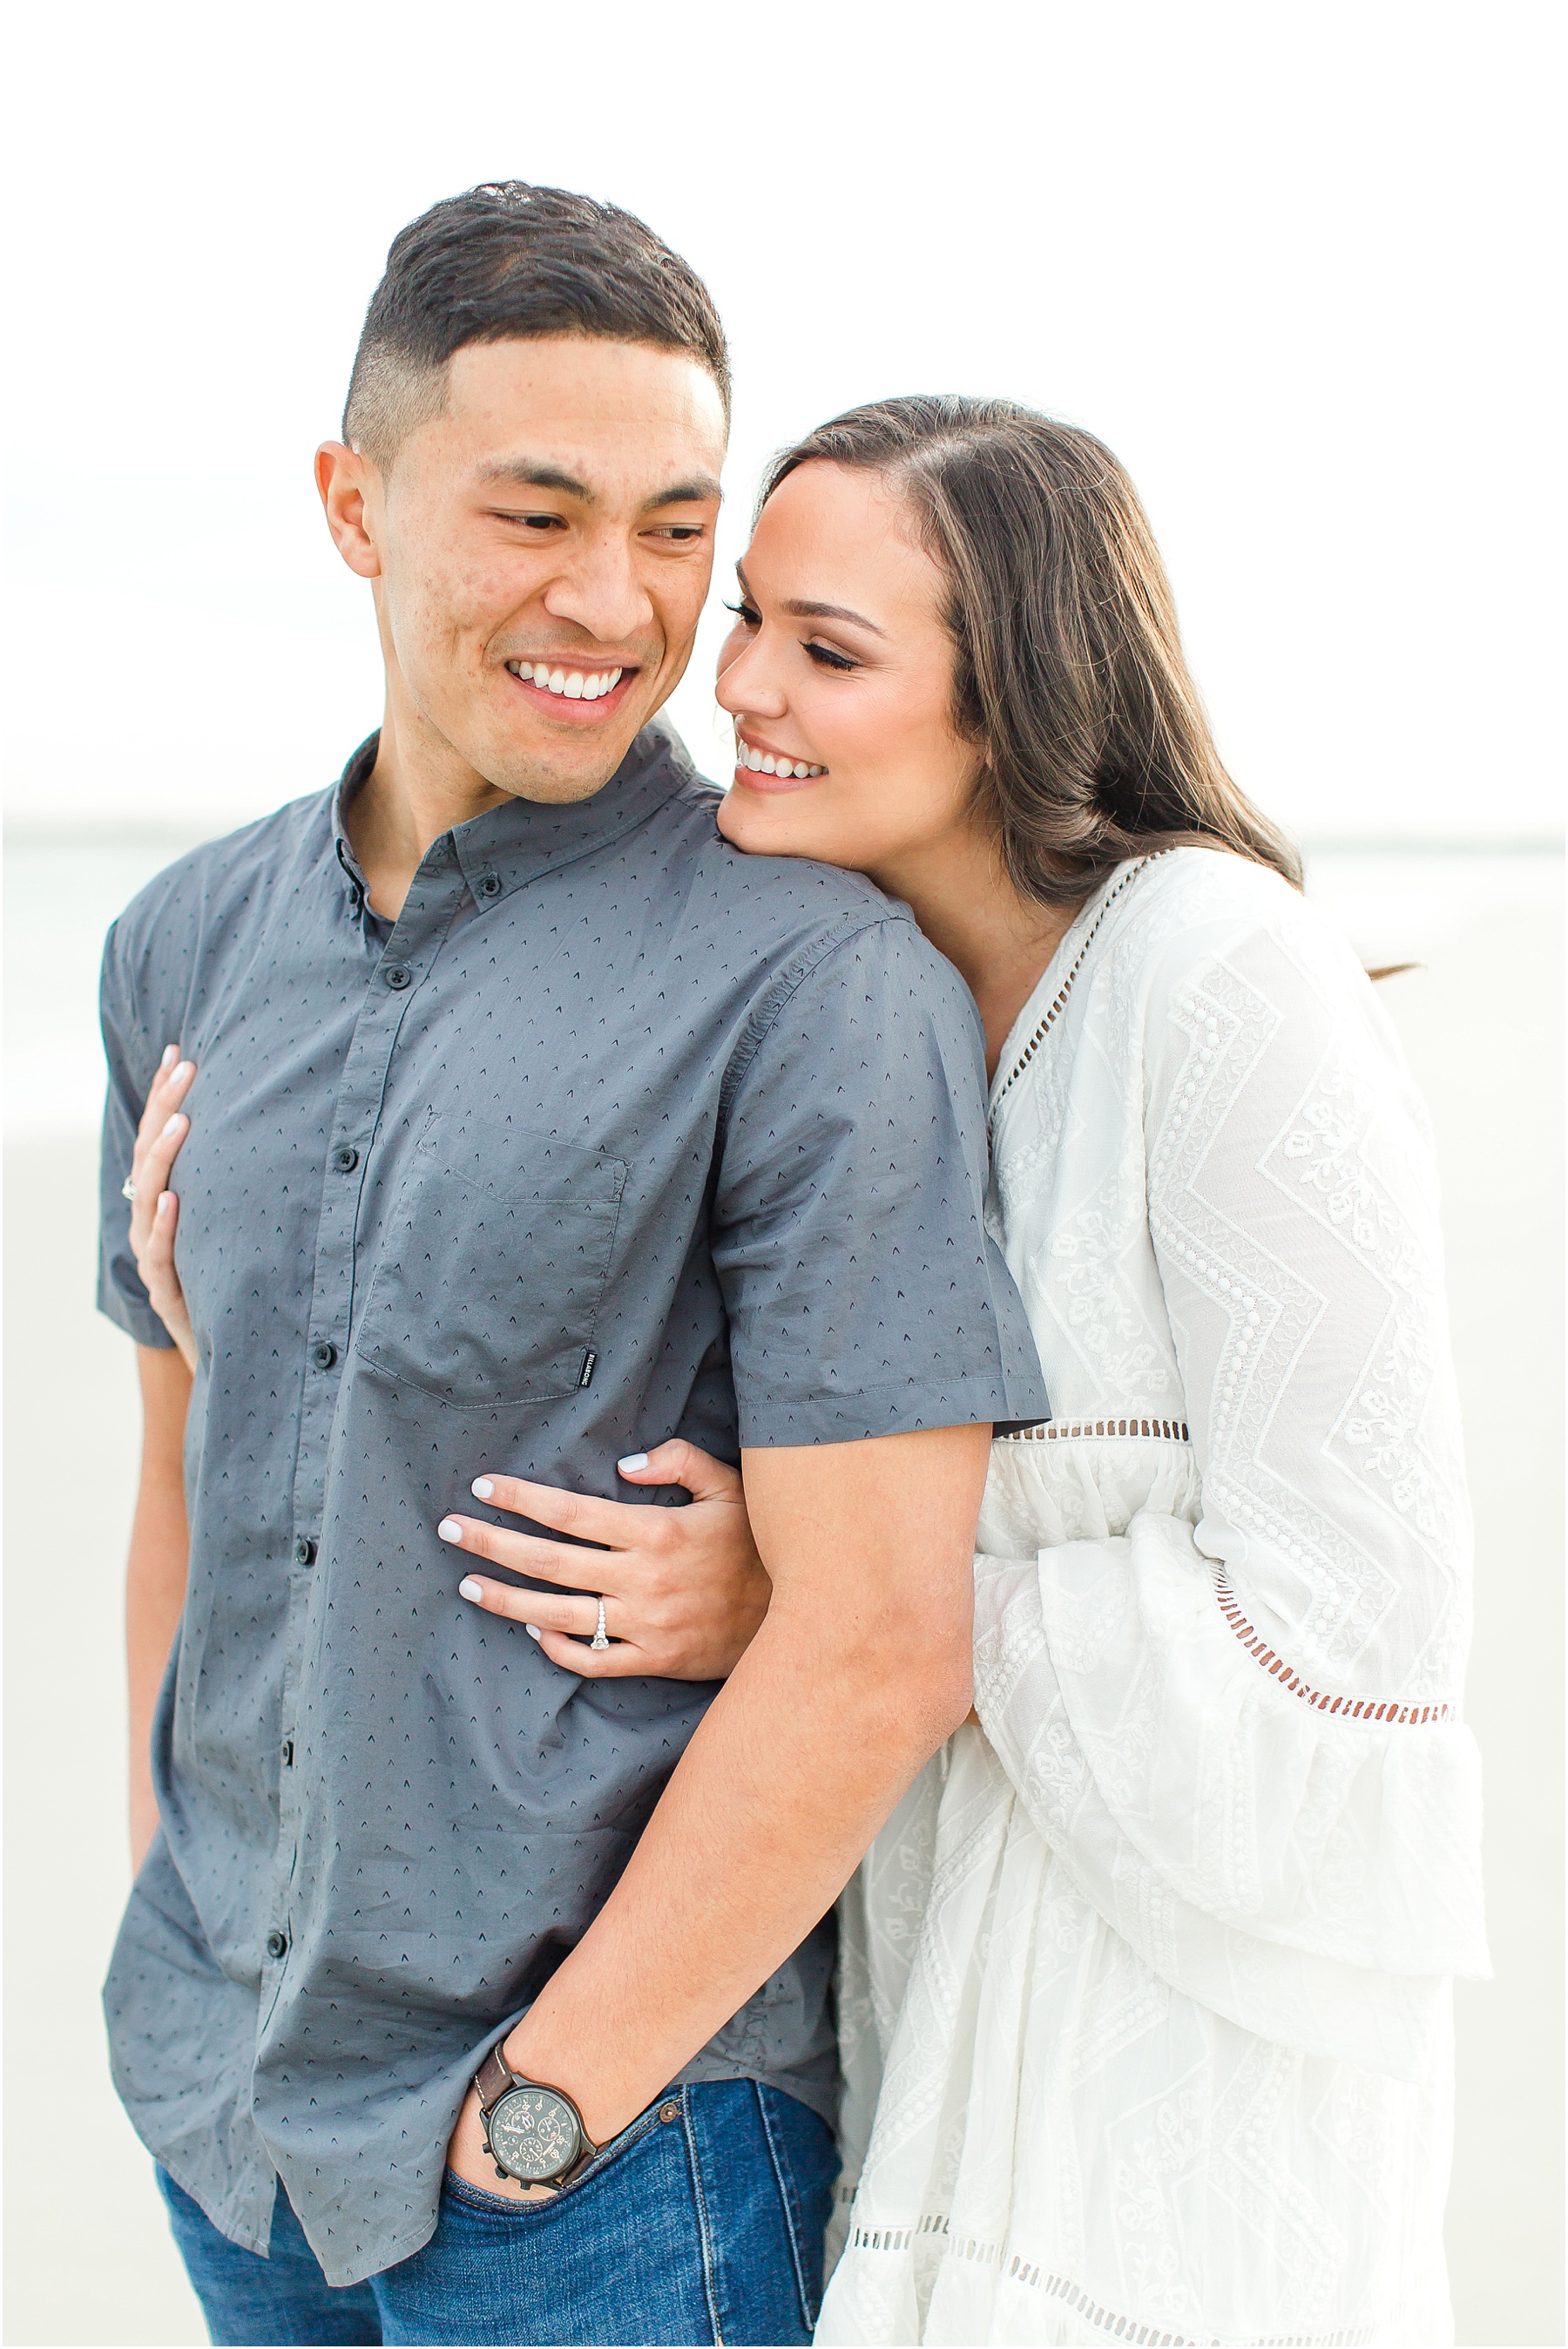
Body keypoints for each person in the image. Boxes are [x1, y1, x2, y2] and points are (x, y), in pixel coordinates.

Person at [99, 193, 1049, 2349]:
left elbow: (889, 1633)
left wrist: (554, 2102)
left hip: (605, 2172)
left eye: (673, 526)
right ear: (354, 504)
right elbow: (187, 1467)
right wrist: (176, 1913)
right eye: (535, 514)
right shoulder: (179, 948)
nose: (612, 603)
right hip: (231, 2127)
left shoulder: (813, 980)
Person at [463, 397, 1490, 2345]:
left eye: (829, 650)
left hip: (1186, 2051)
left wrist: (849, 1605)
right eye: (751, 615)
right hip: (929, 2006)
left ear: (1013, 698)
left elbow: (1360, 1641)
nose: (742, 681)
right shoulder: (872, 1012)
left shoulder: (1217, 970)